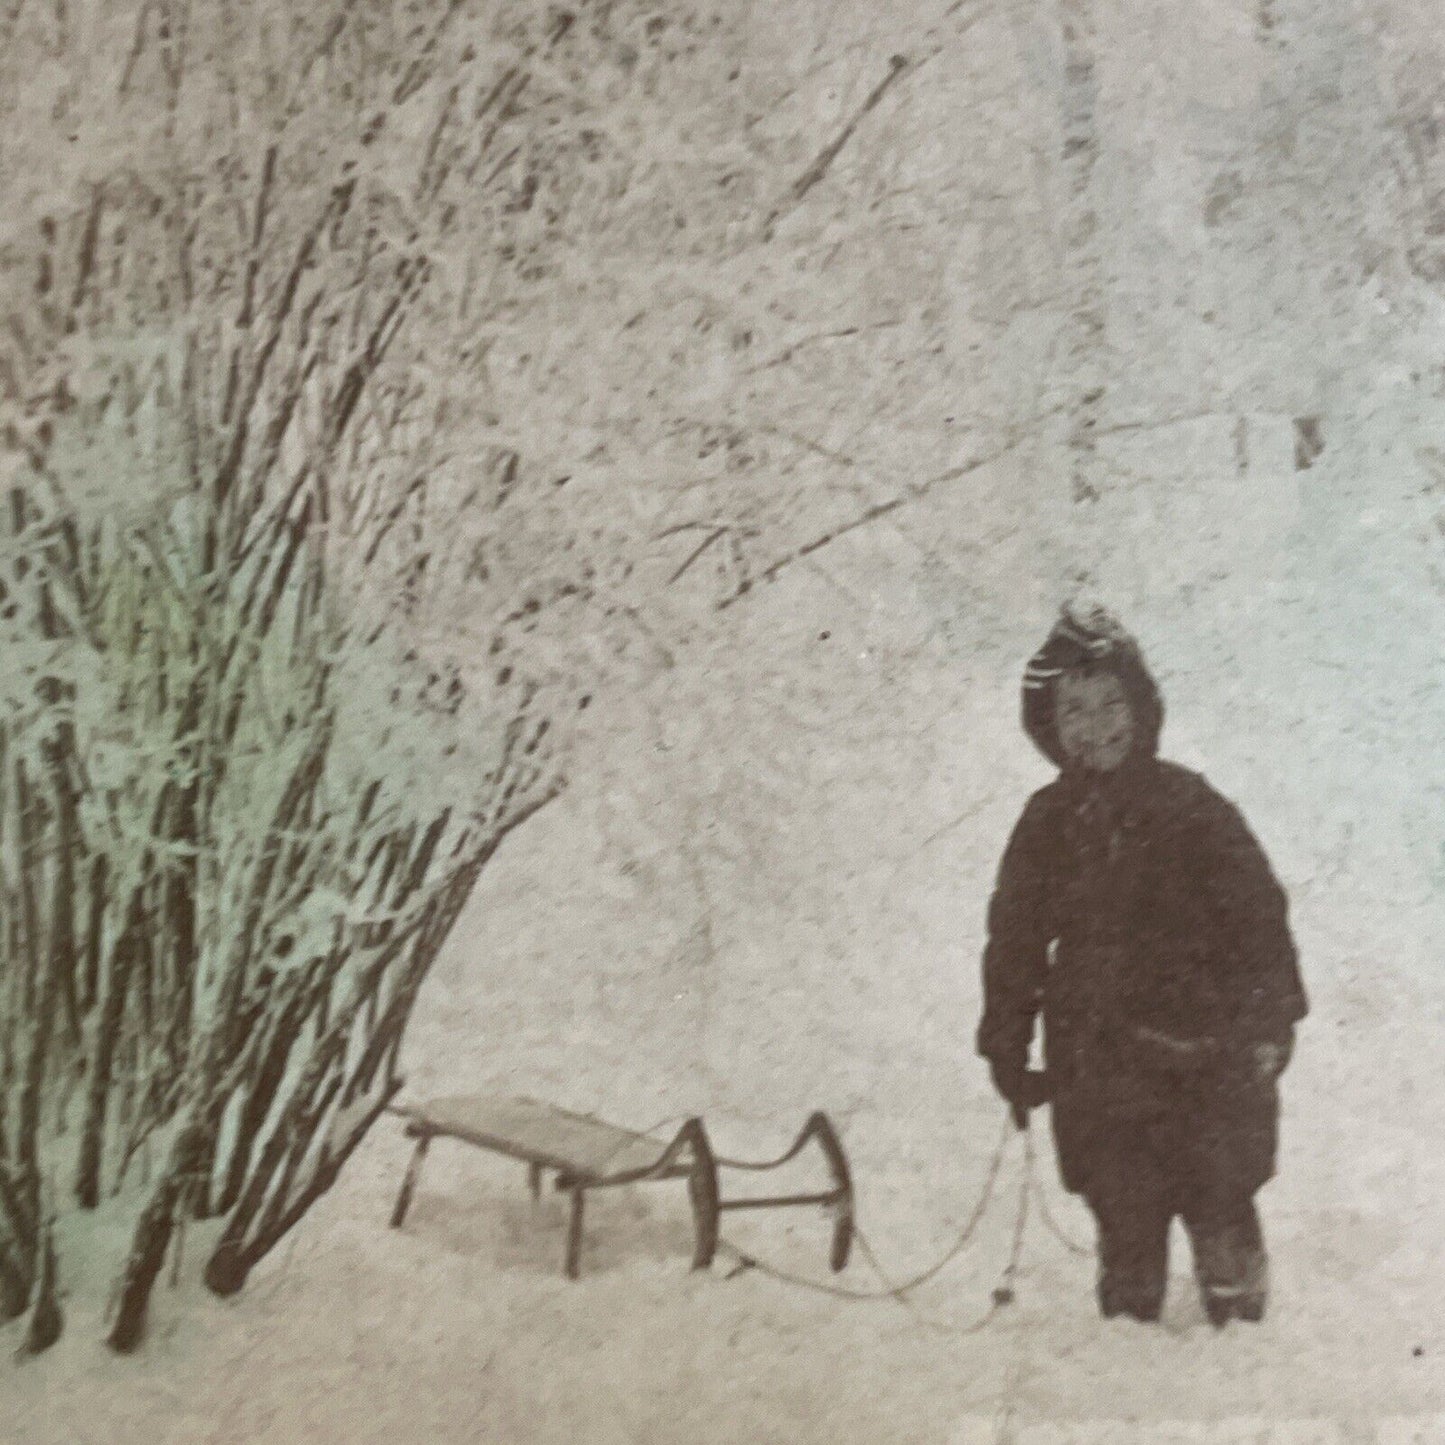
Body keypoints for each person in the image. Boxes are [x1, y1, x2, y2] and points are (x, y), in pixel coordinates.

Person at [976, 604, 1307, 1326]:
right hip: (1097, 1056)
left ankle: (1237, 1311)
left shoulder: (1191, 805)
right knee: (1124, 1209)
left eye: (1109, 703)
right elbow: (1015, 939)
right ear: (1049, 724)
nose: (1095, 726)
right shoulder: (1046, 820)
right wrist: (1005, 1038)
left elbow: (1259, 919)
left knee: (1218, 1193)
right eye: (1074, 710)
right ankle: (1129, 1331)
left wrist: (1268, 1023)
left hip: (1206, 1052)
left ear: (1141, 705)